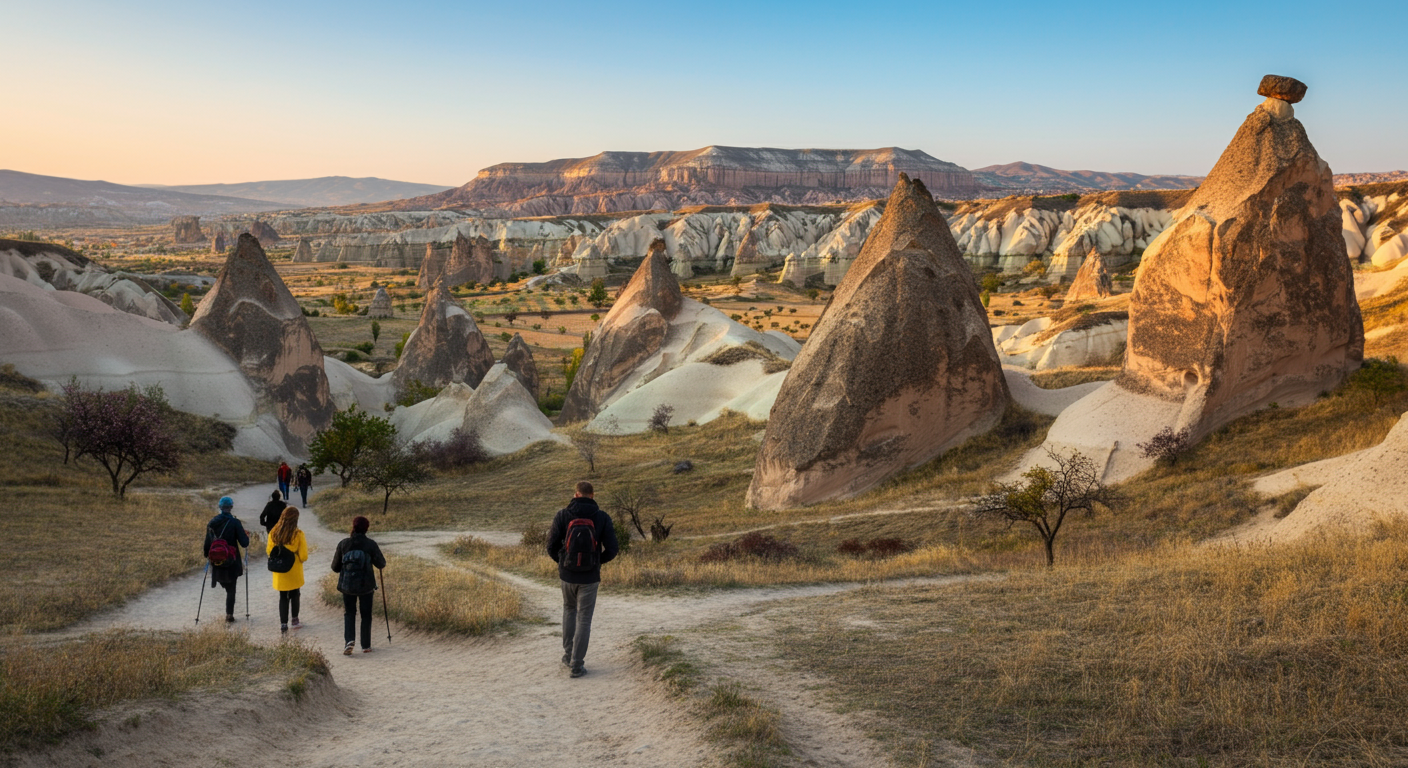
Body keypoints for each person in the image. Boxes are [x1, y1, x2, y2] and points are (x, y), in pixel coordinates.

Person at [546, 481, 619, 678]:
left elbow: (551, 546)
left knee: (569, 610)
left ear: (576, 494)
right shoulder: (602, 517)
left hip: (567, 576)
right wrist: (597, 562)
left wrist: (563, 563)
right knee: (584, 619)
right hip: (590, 578)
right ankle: (577, 665)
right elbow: (613, 549)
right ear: (592, 496)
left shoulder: (562, 515)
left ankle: (568, 655)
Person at [331, 515, 387, 656]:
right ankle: (366, 645)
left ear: (353, 527)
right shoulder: (370, 544)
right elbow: (381, 564)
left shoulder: (343, 544)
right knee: (366, 614)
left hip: (347, 586)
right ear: (366, 528)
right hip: (366, 585)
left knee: (349, 613)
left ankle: (349, 641)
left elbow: (335, 567)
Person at [203, 496, 250, 623]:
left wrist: (208, 555)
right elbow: (244, 543)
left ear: (220, 507)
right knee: (231, 589)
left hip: (217, 561)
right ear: (231, 507)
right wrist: (246, 536)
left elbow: (207, 545)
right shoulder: (235, 523)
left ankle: (228, 611)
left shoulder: (211, 523)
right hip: (231, 561)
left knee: (224, 584)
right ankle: (229, 615)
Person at [266, 506, 309, 632]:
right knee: (295, 594)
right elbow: (304, 556)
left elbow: (269, 551)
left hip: (280, 570)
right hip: (294, 570)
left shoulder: (273, 533)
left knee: (283, 596)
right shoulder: (298, 534)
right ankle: (295, 620)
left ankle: (283, 624)